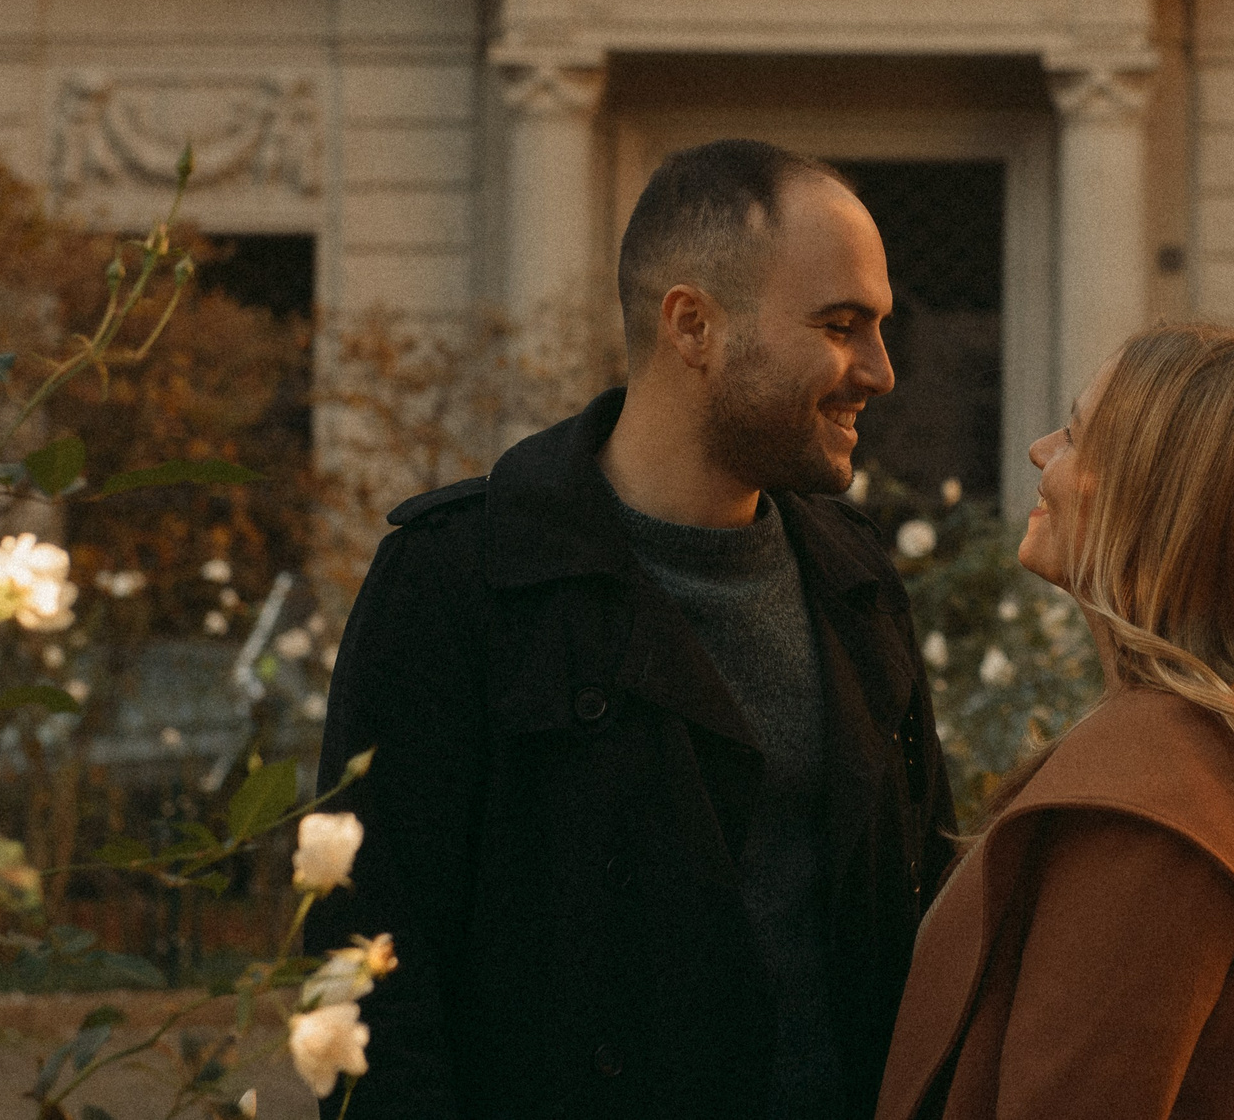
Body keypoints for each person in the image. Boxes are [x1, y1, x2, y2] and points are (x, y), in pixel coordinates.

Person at [312, 138, 957, 1120]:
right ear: (691, 324)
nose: (878, 369)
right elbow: (368, 976)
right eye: (840, 324)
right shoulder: (461, 579)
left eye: (878, 327)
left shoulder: (856, 579)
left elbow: (918, 920)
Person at [875, 324, 1234, 1120]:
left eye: (1078, 433)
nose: (1038, 448)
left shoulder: (1150, 813)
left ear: (1149, 495)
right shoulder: (1229, 772)